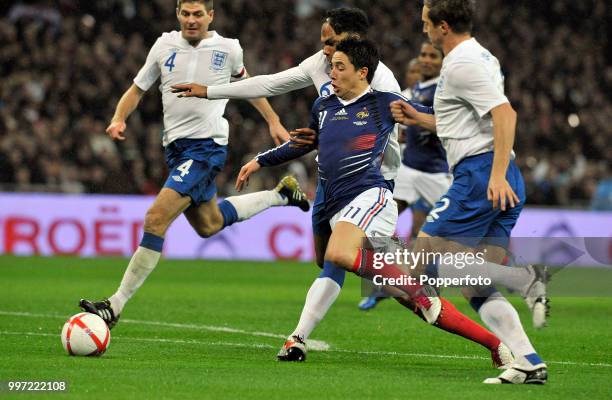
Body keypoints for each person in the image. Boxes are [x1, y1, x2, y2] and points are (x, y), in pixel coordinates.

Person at [171, 8, 513, 369]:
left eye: (335, 60)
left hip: (372, 190)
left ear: (359, 65)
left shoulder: (384, 95)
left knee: (339, 255)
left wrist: (484, 146)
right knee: (337, 263)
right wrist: (261, 160)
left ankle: (298, 336)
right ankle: (492, 342)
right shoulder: (324, 102)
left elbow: (431, 119)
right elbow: (304, 133)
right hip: (330, 195)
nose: (327, 66)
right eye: (329, 59)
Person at [79, 0, 310, 327]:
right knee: (209, 224)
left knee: (155, 218)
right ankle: (281, 195)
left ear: (210, 16)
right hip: (175, 149)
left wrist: (272, 120)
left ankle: (114, 306)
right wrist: (118, 118)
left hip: (206, 148)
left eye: (197, 14)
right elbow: (136, 89)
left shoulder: (228, 49)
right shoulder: (163, 45)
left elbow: (250, 87)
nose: (191, 20)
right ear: (178, 15)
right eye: (185, 14)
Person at [391, 0, 548, 384]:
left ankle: (526, 280)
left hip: (481, 175)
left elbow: (504, 114)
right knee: (474, 282)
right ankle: (528, 363)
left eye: (426, 20)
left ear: (443, 26)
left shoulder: (463, 63)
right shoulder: (480, 57)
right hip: (496, 173)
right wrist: (421, 120)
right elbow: (464, 122)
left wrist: (493, 177)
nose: (422, 26)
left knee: (418, 264)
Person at [358, 41, 450, 311]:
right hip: (408, 169)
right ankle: (386, 281)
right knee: (378, 220)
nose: (426, 60)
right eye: (423, 55)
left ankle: (426, 284)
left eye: (433, 56)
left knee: (429, 233)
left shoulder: (445, 91)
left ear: (443, 62)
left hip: (437, 173)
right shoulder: (411, 92)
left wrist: (419, 122)